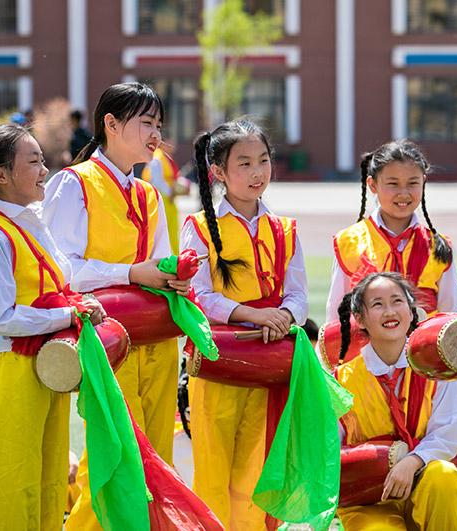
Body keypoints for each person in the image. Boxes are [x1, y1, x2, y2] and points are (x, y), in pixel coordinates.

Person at [42, 82, 187, 531]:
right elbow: (58, 268)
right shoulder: (74, 184)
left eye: (158, 126)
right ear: (110, 124)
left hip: (157, 344)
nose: (155, 135)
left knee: (155, 461)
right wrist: (130, 274)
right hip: (108, 343)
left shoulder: (147, 194)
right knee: (113, 459)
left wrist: (173, 276)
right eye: (145, 123)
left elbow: (156, 264)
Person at [180, 119, 308, 529]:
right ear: (218, 171)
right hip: (219, 362)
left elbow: (299, 295)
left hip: (271, 362)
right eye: (245, 163)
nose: (257, 173)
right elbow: (197, 294)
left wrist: (285, 318)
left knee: (259, 467)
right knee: (213, 469)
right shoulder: (200, 227)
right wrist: (255, 315)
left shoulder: (284, 229)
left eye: (264, 161)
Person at [0, 124, 103, 529]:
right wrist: (66, 316)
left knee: (49, 478)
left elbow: (54, 287)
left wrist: (76, 305)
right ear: (0, 174)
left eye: (41, 159)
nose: (44, 169)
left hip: (47, 368)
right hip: (11, 369)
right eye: (32, 161)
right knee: (11, 484)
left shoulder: (31, 222)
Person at [334, 272, 457, 529]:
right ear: (360, 320)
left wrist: (412, 461)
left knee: (446, 477)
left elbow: (447, 434)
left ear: (411, 311)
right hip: (370, 499)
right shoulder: (340, 379)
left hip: (422, 479)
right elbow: (332, 453)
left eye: (397, 301)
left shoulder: (438, 365)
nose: (389, 311)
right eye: (377, 304)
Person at [325, 140, 457, 323]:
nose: (403, 193)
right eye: (393, 184)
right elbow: (336, 316)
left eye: (413, 183)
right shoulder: (349, 242)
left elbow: (451, 316)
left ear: (423, 182)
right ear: (372, 185)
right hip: (365, 350)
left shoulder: (439, 246)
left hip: (425, 350)